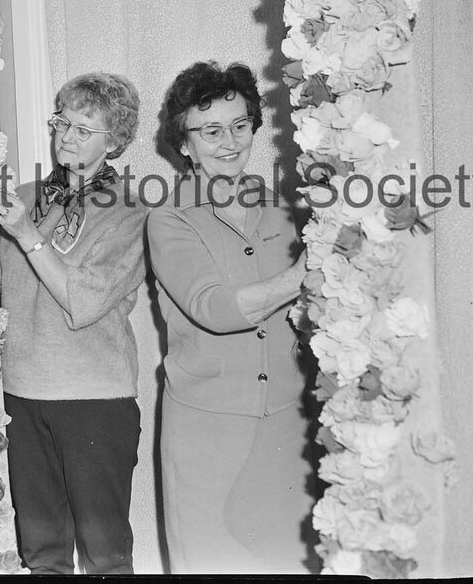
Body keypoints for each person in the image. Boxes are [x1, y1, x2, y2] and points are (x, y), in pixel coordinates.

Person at [146, 61, 316, 574]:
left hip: (287, 422)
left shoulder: (280, 209)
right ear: (184, 143)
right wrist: (306, 272)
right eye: (211, 130)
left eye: (240, 126)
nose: (229, 142)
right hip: (209, 432)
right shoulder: (169, 219)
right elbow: (215, 309)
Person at [0, 72, 147, 575]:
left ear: (117, 142)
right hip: (20, 392)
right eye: (63, 122)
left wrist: (26, 236)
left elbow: (81, 303)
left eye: (85, 129)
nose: (67, 135)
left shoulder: (131, 213)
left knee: (104, 557)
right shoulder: (23, 197)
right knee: (42, 556)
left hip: (94, 401)